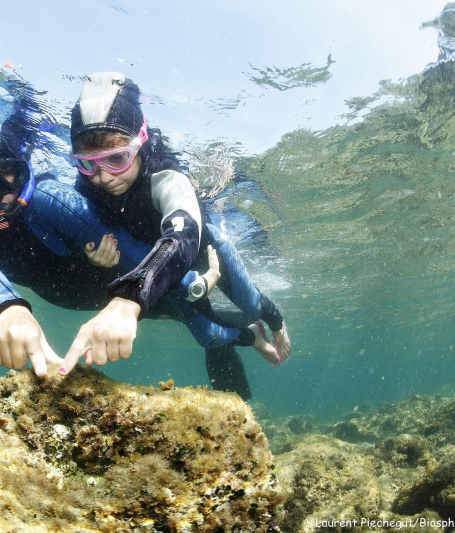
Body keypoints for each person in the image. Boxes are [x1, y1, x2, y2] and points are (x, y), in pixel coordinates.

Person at [0, 109, 258, 397]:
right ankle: (245, 332)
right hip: (84, 300)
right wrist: (9, 310)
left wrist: (192, 284)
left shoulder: (49, 198)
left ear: (22, 169)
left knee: (204, 327)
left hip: (116, 286)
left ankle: (251, 333)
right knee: (201, 325)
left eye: (6, 172)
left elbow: (128, 248)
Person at [58, 72, 290, 375]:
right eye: (88, 163)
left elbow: (184, 234)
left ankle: (275, 322)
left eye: (117, 159)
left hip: (206, 253)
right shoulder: (87, 183)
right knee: (207, 336)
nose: (103, 176)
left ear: (140, 142)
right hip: (163, 271)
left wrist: (130, 297)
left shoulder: (166, 175)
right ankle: (253, 337)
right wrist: (92, 257)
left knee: (250, 303)